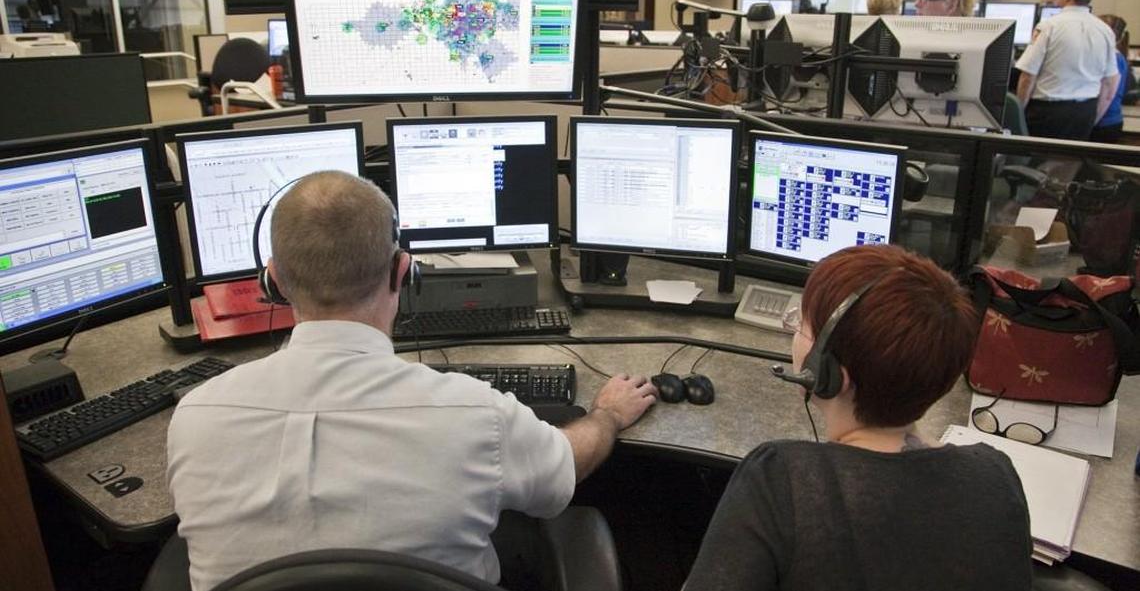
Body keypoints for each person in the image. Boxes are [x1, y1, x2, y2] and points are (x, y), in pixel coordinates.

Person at [167, 171, 658, 591]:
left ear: (272, 281)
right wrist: (608, 414)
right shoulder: (475, 415)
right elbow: (563, 471)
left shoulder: (196, 417)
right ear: (404, 271)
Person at [684, 245, 1033, 591]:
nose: (794, 335)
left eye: (801, 325)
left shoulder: (780, 479)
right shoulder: (997, 475)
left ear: (831, 373)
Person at [1015, 0, 1120, 141]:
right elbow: (1110, 84)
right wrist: (1093, 117)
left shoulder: (1049, 26)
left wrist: (1018, 113)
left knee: (1036, 162)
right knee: (1069, 163)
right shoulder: (1105, 30)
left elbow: (1028, 76)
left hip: (1047, 113)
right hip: (1085, 111)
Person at [1090, 14, 1131, 144]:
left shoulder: (1114, 58)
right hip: (1104, 121)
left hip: (1103, 122)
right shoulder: (1111, 55)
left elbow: (1107, 95)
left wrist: (1090, 123)